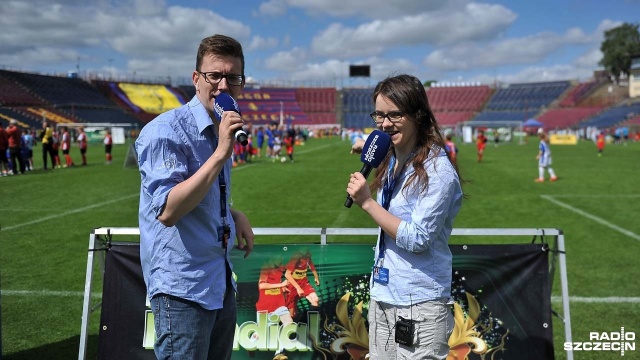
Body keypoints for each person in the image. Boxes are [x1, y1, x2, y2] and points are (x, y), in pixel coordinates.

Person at [135, 34, 254, 360]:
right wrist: (219, 154)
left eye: (233, 77)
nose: (224, 85)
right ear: (196, 79)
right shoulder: (166, 131)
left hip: (217, 281)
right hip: (181, 289)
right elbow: (169, 209)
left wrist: (233, 214)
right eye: (214, 75)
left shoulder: (220, 127)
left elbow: (204, 194)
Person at [347, 74, 463, 360]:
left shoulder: (438, 171)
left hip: (419, 302)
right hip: (385, 294)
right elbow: (386, 140)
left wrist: (367, 203)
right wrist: (368, 144)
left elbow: (418, 238)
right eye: (380, 115)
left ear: (417, 115)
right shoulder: (394, 156)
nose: (385, 124)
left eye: (395, 115)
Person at [255, 257, 292, 360]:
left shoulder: (281, 268)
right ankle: (251, 343)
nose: (281, 260)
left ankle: (278, 353)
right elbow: (261, 286)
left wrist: (283, 288)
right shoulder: (266, 268)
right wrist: (281, 284)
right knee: (261, 334)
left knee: (288, 322)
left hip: (279, 305)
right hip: (265, 306)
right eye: (278, 258)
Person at [284, 250, 320, 321]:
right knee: (292, 314)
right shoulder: (295, 259)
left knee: (315, 300)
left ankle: (312, 323)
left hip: (304, 283)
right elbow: (287, 274)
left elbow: (312, 268)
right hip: (293, 286)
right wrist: (298, 288)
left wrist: (316, 278)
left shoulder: (308, 258)